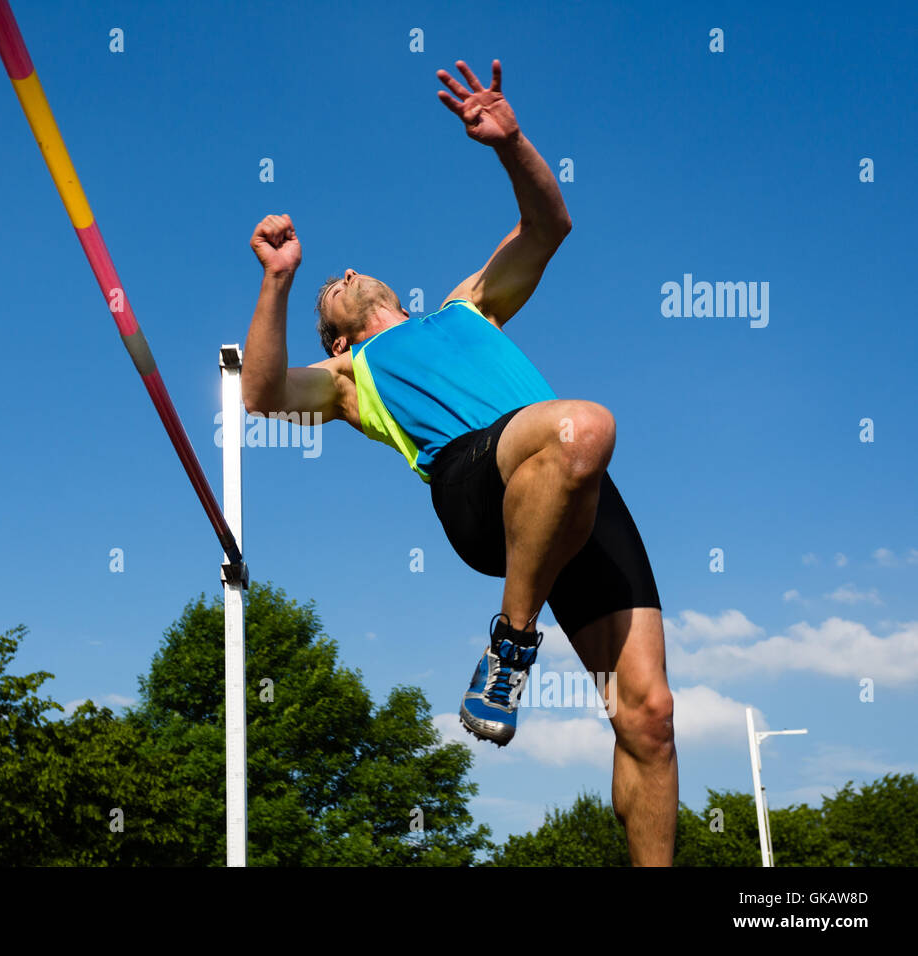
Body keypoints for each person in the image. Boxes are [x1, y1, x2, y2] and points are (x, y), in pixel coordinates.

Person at [240, 59, 677, 865]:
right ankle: (511, 645)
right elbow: (262, 395)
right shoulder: (348, 377)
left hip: (576, 490)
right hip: (480, 485)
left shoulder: (468, 304)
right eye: (326, 293)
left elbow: (548, 229)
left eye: (340, 274)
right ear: (336, 339)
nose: (339, 274)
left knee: (646, 716)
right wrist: (278, 282)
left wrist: (510, 145)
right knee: (583, 426)